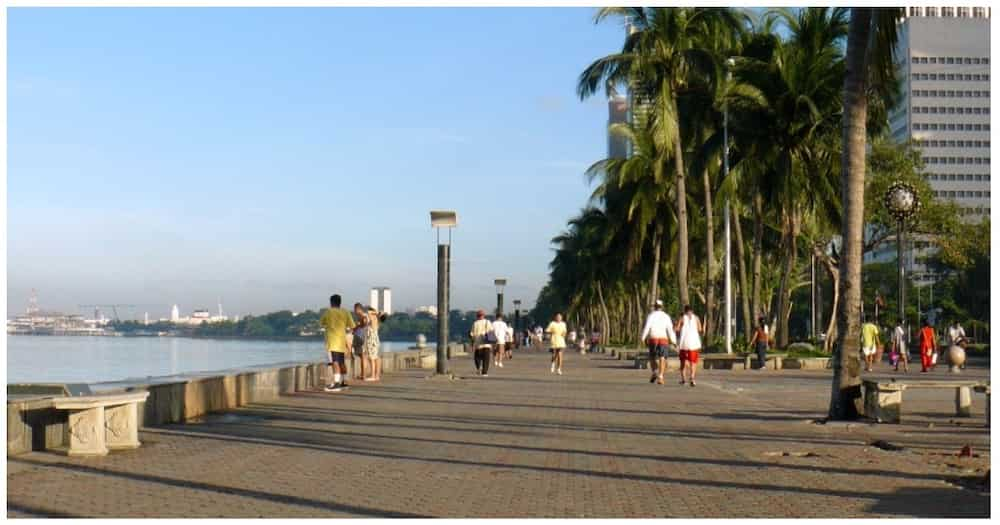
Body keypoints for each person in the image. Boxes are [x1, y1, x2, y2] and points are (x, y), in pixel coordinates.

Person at [319, 294, 355, 392]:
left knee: (335, 362)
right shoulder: (345, 312)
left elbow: (321, 323)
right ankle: (344, 382)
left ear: (331, 302)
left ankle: (336, 383)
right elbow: (352, 325)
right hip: (341, 341)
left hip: (332, 341)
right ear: (340, 302)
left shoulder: (328, 312)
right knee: (342, 362)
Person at [640, 299, 677, 385]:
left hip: (653, 338)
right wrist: (674, 341)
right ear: (662, 307)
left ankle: (654, 372)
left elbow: (647, 327)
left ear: (655, 307)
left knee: (652, 357)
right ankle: (660, 377)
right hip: (663, 339)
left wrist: (642, 338)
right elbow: (670, 330)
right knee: (662, 358)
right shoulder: (666, 316)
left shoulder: (651, 315)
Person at [675, 305, 704, 387]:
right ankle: (692, 378)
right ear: (692, 310)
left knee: (683, 362)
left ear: (685, 311)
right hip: (694, 343)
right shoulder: (696, 318)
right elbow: (700, 329)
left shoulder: (682, 318)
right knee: (693, 362)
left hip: (684, 343)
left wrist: (676, 325)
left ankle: (684, 379)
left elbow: (677, 329)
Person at [362, 307, 386, 381]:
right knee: (373, 358)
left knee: (372, 358)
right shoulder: (373, 320)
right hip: (372, 342)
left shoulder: (374, 319)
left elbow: (369, 313)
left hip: (372, 342)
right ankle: (375, 376)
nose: (369, 315)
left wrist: (375, 313)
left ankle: (373, 376)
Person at [469, 310, 493, 376]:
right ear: (484, 315)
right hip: (486, 343)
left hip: (478, 343)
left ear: (477, 316)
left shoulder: (475, 323)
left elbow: (471, 334)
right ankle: (484, 372)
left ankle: (478, 367)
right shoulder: (488, 322)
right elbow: (491, 332)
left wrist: (471, 344)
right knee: (486, 359)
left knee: (477, 357)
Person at [351, 303, 368, 380]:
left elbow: (364, 324)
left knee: (362, 356)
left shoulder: (363, 316)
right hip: (361, 336)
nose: (354, 311)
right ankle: (363, 374)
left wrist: (356, 327)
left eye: (355, 309)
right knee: (362, 356)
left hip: (360, 337)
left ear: (358, 309)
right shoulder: (363, 316)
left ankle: (363, 374)